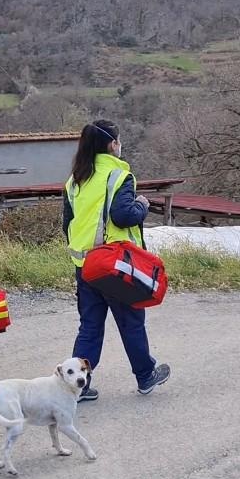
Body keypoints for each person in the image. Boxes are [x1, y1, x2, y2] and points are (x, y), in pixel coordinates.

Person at [62, 120, 171, 402]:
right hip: (114, 265)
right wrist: (142, 205)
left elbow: (68, 224)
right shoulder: (119, 176)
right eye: (119, 141)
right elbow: (123, 216)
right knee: (131, 322)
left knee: (89, 326)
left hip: (84, 265)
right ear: (113, 144)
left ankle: (78, 386)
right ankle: (146, 376)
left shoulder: (75, 180)